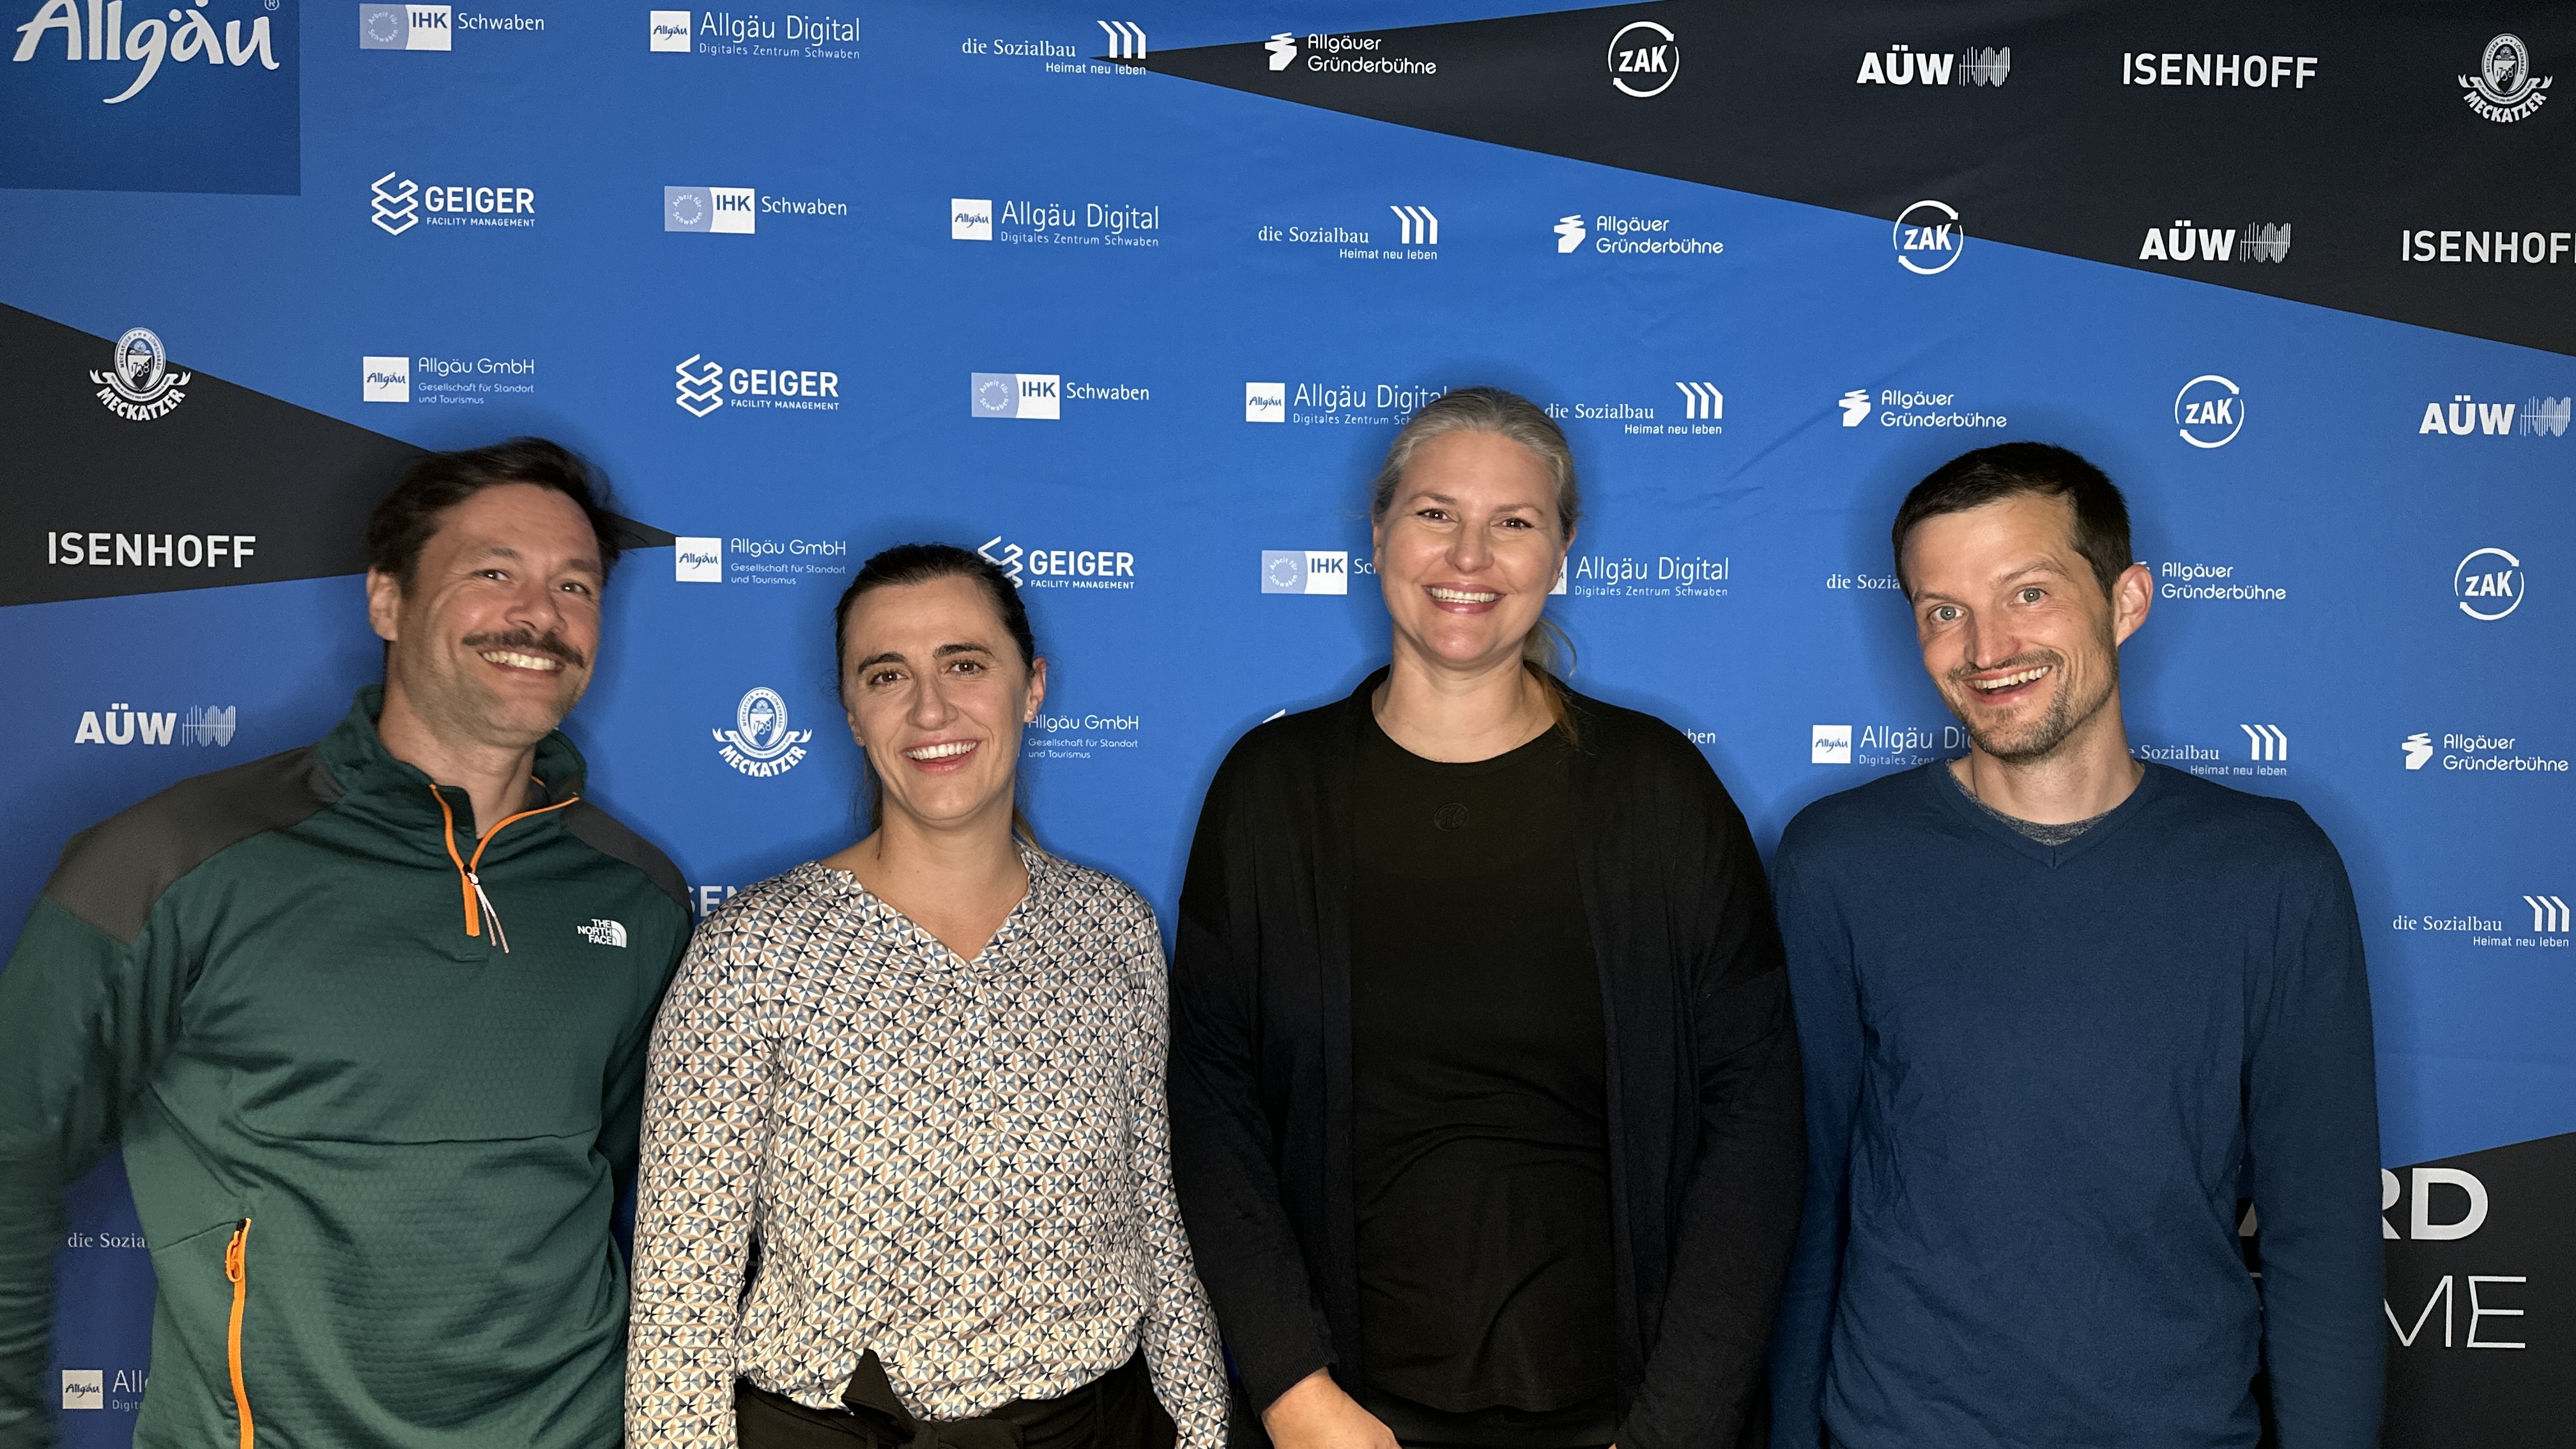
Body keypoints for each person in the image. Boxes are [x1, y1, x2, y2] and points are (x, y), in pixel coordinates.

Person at [0, 439, 692, 1448]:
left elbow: (660, 1187)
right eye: (493, 573)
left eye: (574, 586)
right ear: (387, 602)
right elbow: (13, 1148)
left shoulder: (639, 892)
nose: (540, 617)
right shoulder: (171, 861)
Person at [1170, 387, 1804, 1449]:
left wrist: (1677, 1427)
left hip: (1624, 1416)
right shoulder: (1270, 791)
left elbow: (1758, 1118)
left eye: (1513, 522)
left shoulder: (1657, 789)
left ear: (1561, 551)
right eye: (1434, 514)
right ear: (1377, 534)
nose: (1470, 556)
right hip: (1347, 1422)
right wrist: (1293, 1391)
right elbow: (1213, 1103)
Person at [1766, 443, 2382, 1449]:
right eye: (1943, 611)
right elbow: (1804, 1206)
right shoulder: (1839, 861)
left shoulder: (2273, 872)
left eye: (2029, 593)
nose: (1985, 647)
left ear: (2127, 601)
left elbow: (2325, 1244)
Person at [625, 543, 1229, 1449]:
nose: (931, 709)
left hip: (1100, 1426)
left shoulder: (1111, 930)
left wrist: (1203, 1422)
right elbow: (681, 1300)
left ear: (1031, 686)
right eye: (886, 675)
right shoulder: (750, 952)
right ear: (853, 714)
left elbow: (1157, 1217)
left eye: (965, 663)